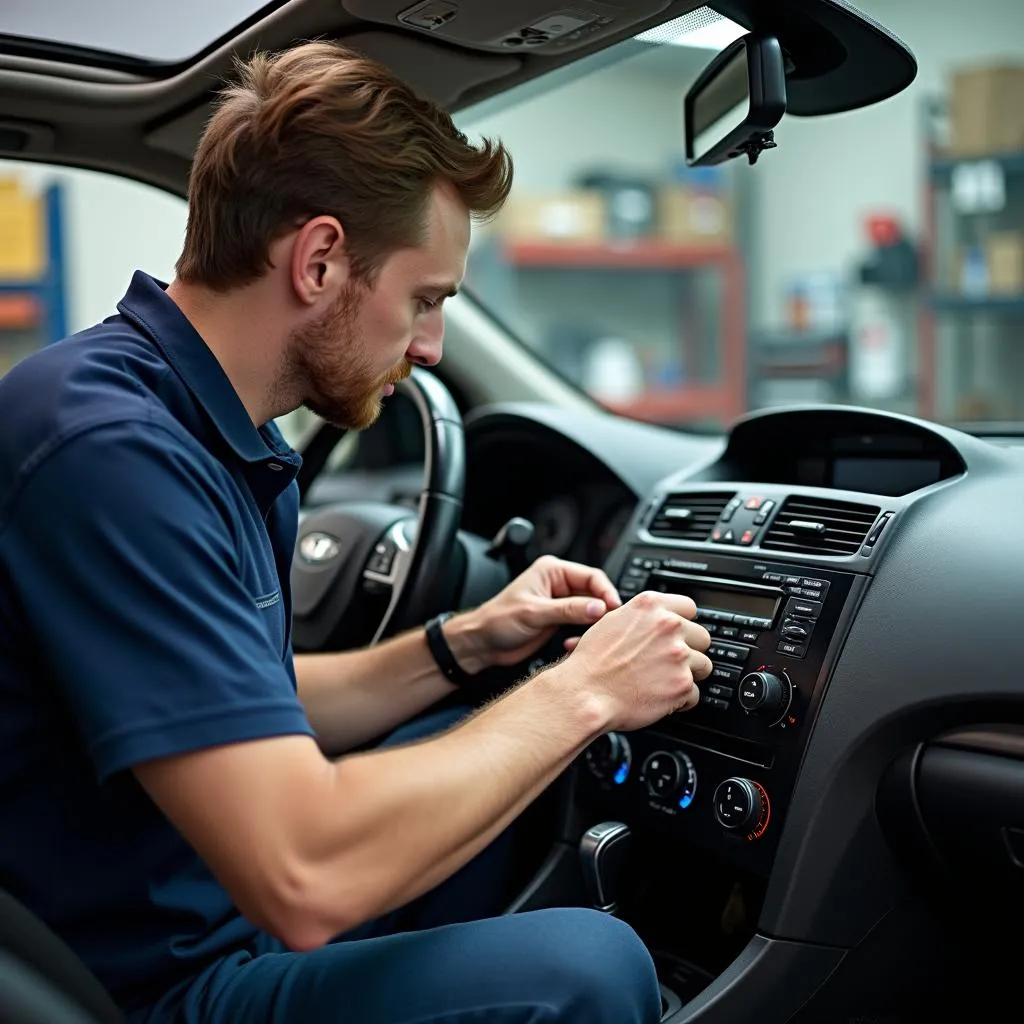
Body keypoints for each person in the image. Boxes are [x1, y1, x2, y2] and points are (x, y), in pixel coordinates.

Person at [0, 41, 713, 1024]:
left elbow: (241, 698)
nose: (428, 348)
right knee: (589, 967)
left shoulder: (211, 430)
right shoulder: (106, 451)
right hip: (150, 987)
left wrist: (463, 646)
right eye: (425, 301)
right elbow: (302, 875)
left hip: (199, 910)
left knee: (479, 725)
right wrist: (589, 690)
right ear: (320, 258)